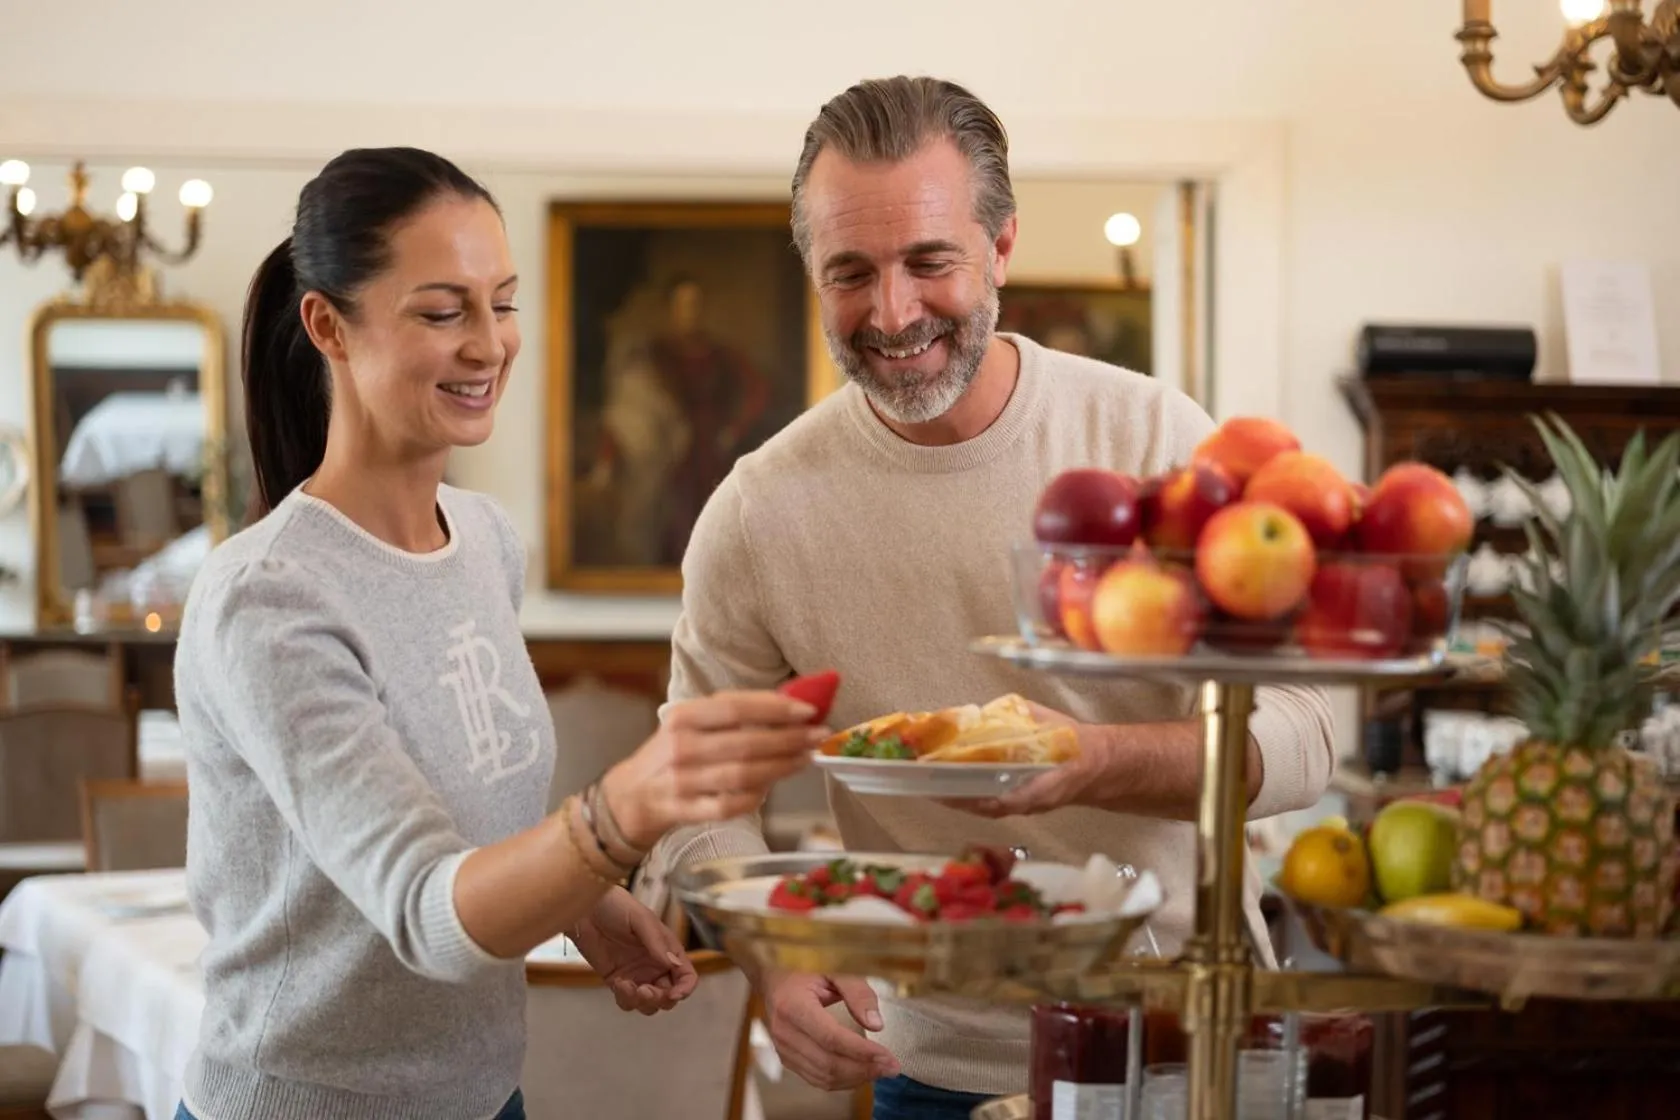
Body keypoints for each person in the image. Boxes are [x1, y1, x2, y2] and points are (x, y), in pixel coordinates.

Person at [640, 78, 1336, 1120]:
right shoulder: (760, 509)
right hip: (931, 1071)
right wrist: (774, 958)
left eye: (930, 261)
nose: (892, 313)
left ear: (1002, 245)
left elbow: (1304, 737)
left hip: (1190, 1042)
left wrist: (1097, 760)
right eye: (850, 273)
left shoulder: (1151, 439)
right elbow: (695, 793)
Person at [170, 147, 825, 1120]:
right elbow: (427, 913)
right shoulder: (266, 596)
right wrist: (620, 817)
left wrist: (589, 900)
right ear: (327, 325)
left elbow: (463, 801)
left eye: (503, 301)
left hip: (484, 1095)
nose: (489, 343)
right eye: (443, 311)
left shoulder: (482, 540)